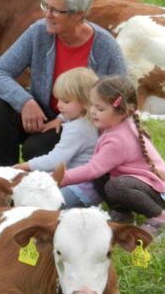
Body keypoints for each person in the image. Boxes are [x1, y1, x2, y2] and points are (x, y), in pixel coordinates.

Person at [0, 0, 127, 167]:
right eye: (46, 6)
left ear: (79, 14)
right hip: (42, 113)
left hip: (80, 124)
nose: (47, 15)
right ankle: (2, 179)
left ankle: (37, 183)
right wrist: (26, 102)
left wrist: (67, 119)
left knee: (35, 149)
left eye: (56, 11)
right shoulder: (38, 32)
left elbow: (122, 99)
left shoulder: (105, 47)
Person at [61, 74, 165, 238]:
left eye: (100, 109)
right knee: (104, 178)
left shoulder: (118, 139)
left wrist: (59, 177)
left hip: (157, 194)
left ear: (122, 111)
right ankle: (122, 215)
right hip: (140, 184)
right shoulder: (118, 123)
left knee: (115, 186)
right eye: (92, 105)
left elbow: (92, 169)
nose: (93, 112)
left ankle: (162, 220)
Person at [14, 67, 100, 209]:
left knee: (38, 206)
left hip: (80, 189)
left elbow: (56, 160)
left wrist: (25, 166)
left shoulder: (78, 129)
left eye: (65, 101)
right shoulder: (85, 120)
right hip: (84, 184)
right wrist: (60, 118)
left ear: (85, 102)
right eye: (58, 99)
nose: (59, 105)